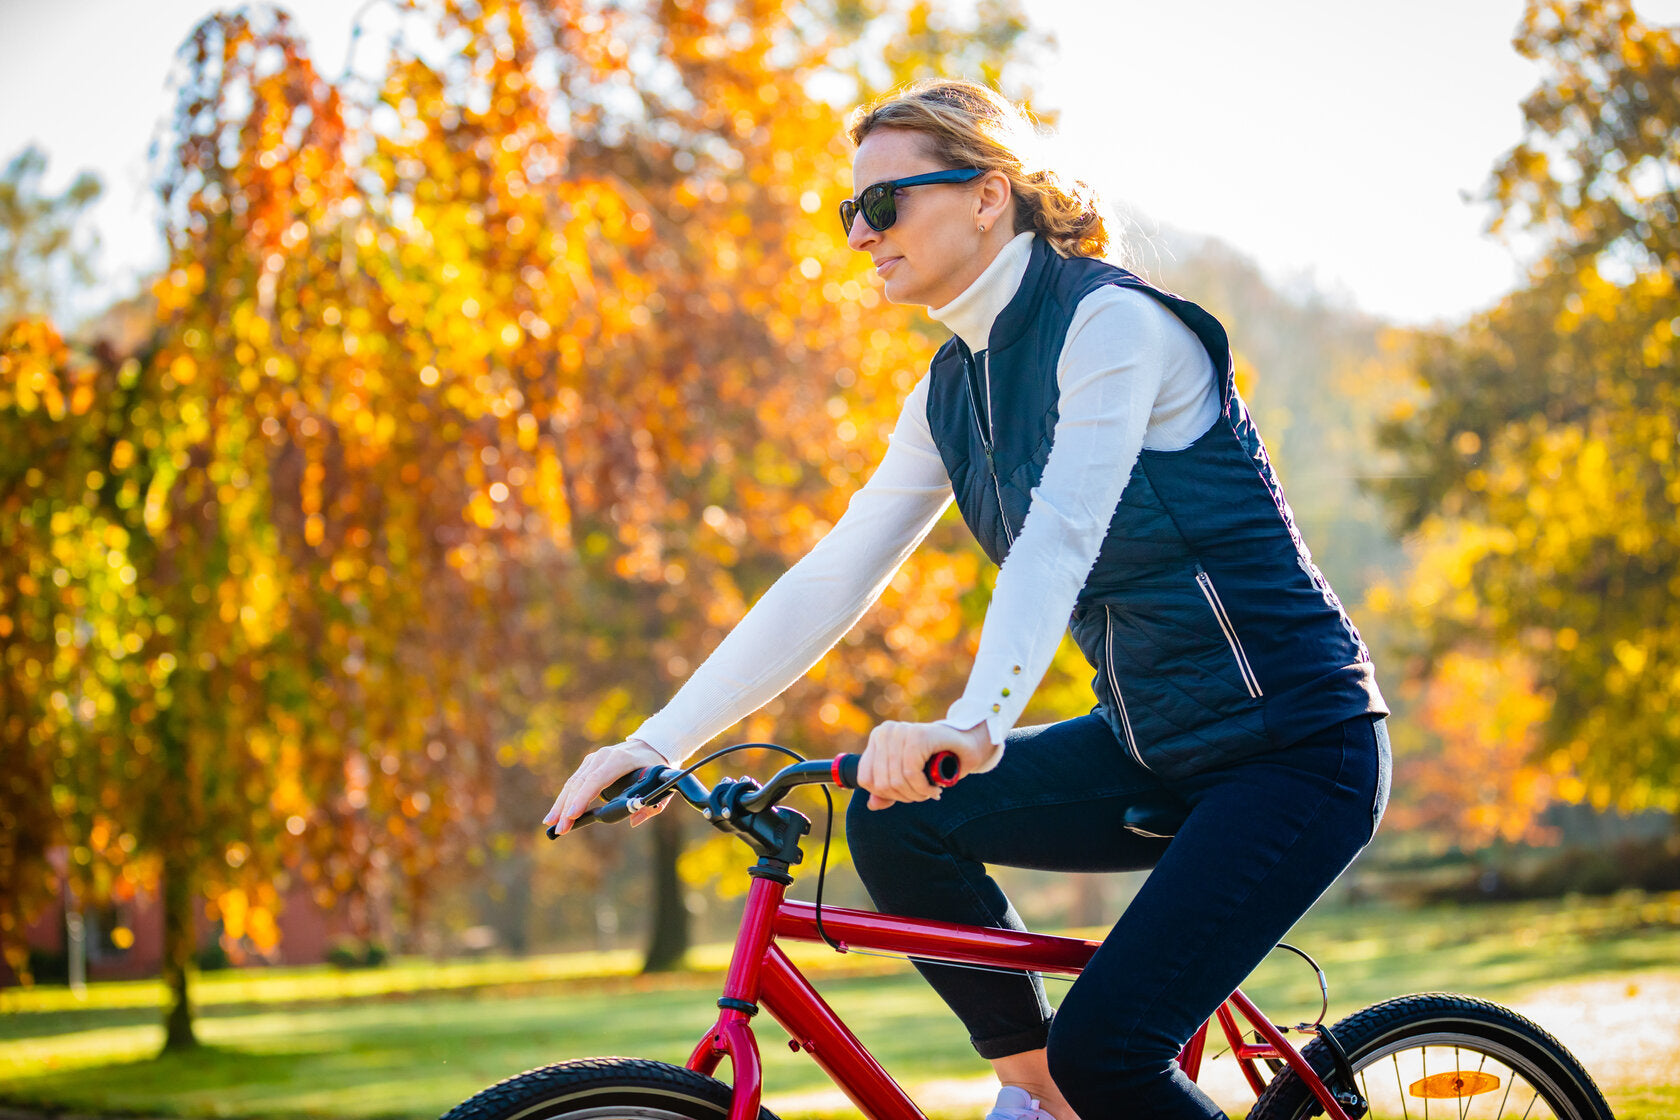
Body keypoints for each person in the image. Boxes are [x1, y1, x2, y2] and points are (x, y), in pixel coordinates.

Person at [545, 79, 1391, 1120]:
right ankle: (1038, 1097)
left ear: (987, 196)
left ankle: (1074, 1086)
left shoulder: (1111, 323)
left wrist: (975, 723)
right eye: (848, 211)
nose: (861, 234)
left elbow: (1059, 539)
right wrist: (658, 742)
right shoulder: (951, 390)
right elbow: (833, 574)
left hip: (1296, 747)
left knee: (1113, 1049)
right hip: (1153, 742)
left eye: (884, 203)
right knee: (898, 820)